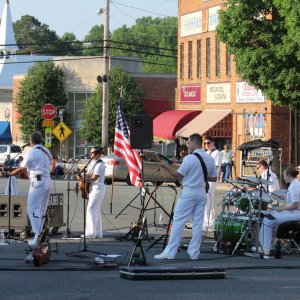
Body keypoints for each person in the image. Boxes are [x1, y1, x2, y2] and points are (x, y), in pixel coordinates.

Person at [154, 133, 217, 260]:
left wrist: (165, 165)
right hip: (201, 192)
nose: (187, 145)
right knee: (198, 223)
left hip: (189, 192)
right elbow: (214, 177)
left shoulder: (190, 158)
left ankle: (170, 252)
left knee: (178, 221)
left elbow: (178, 176)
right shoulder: (209, 158)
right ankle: (194, 252)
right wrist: (200, 176)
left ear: (194, 143)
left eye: (189, 143)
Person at [7, 132, 52, 247]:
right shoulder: (46, 151)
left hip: (38, 183)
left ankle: (37, 236)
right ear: (41, 141)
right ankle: (42, 236)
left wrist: (9, 173)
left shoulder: (31, 152)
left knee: (32, 209)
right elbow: (37, 167)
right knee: (41, 210)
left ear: (31, 141)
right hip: (47, 181)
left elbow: (21, 169)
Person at [259, 166, 300, 258]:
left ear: (288, 175)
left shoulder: (294, 186)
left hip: (296, 213)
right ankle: (269, 246)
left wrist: (282, 209)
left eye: (284, 175)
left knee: (268, 221)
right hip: (295, 212)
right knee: (271, 217)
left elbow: (295, 205)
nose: (283, 177)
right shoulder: (296, 184)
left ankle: (265, 250)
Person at [77, 146, 106, 238]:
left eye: (92, 153)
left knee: (91, 209)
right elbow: (89, 175)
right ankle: (97, 233)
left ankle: (91, 232)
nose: (90, 155)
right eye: (90, 153)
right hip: (93, 187)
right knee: (96, 210)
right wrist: (81, 176)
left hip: (98, 187)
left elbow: (94, 178)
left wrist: (84, 179)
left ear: (98, 154)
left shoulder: (100, 164)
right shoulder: (92, 163)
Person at [203, 136, 222, 231]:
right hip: (205, 178)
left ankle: (209, 222)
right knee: (206, 200)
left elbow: (216, 165)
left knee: (208, 199)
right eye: (205, 143)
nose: (206, 145)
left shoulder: (216, 153)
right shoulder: (206, 153)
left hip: (212, 179)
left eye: (208, 143)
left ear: (213, 143)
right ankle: (207, 221)